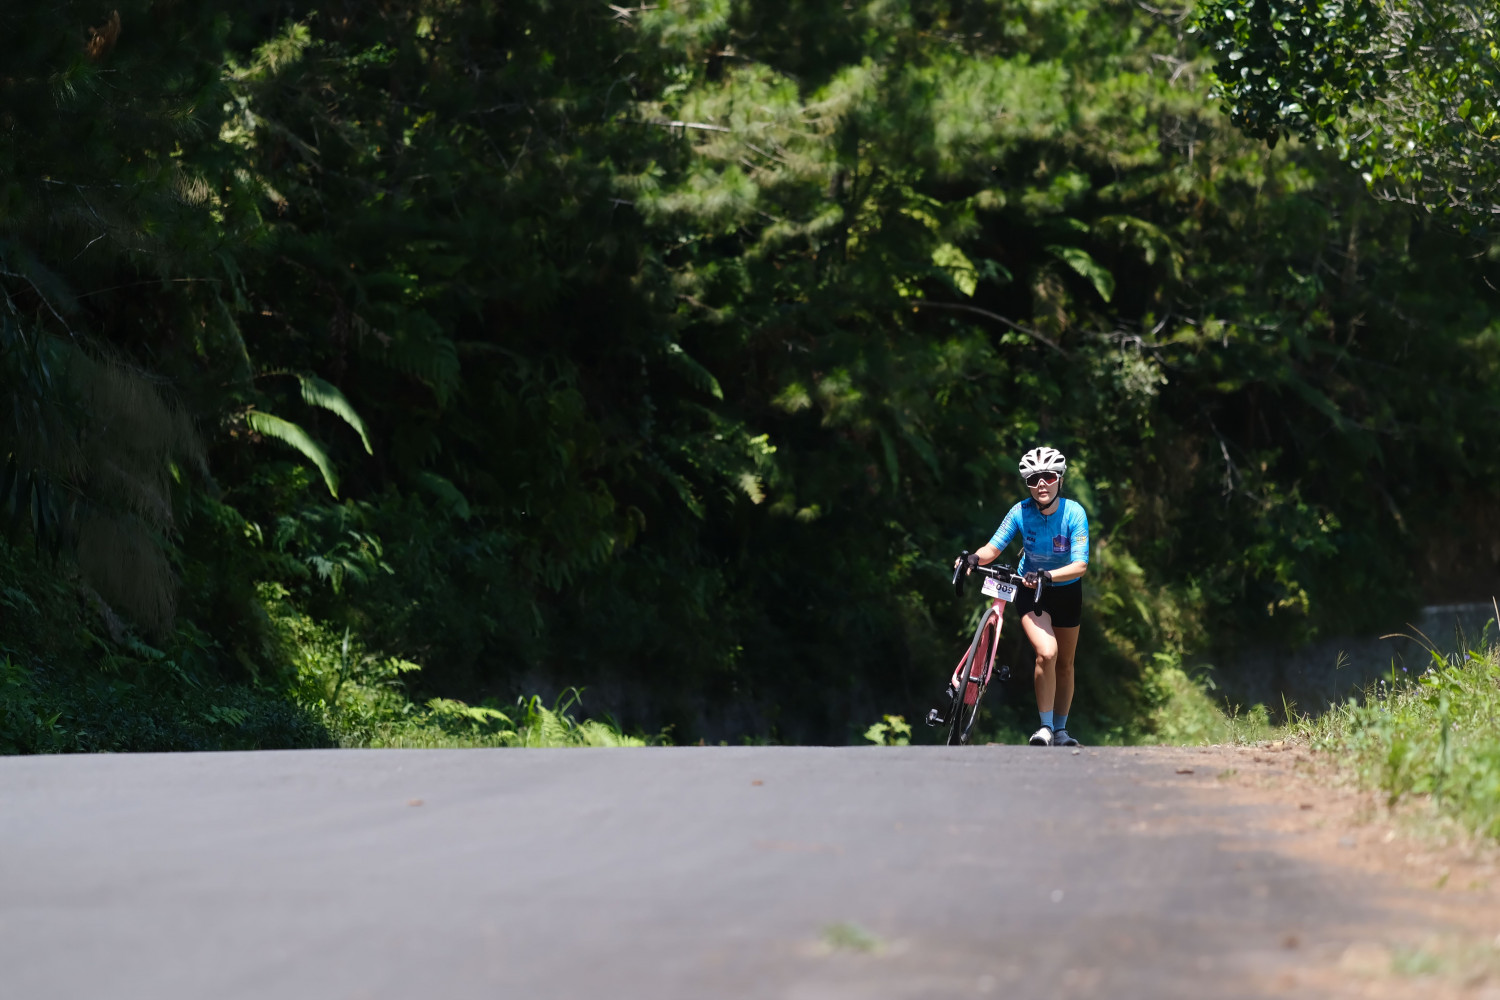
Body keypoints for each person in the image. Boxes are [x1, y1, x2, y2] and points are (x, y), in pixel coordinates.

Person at [957, 446, 1090, 747]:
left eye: (1048, 477)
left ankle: (1061, 731)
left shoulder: (1074, 513)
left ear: (1060, 480)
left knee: (1065, 663)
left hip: (1067, 592)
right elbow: (993, 548)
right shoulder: (1020, 511)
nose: (1041, 484)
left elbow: (1080, 565)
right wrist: (974, 558)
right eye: (1033, 479)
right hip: (1030, 591)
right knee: (1047, 652)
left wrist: (1049, 575)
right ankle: (1045, 728)